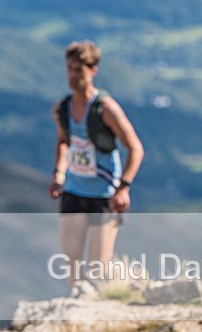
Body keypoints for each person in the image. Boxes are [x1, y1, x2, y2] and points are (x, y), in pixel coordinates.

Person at [48, 40, 144, 288]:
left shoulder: (106, 109)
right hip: (74, 190)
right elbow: (63, 141)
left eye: (79, 70)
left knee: (98, 266)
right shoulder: (62, 109)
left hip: (104, 194)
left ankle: (133, 279)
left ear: (93, 71)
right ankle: (77, 306)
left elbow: (135, 148)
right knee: (71, 260)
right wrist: (59, 173)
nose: (73, 75)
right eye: (70, 69)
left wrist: (124, 188)